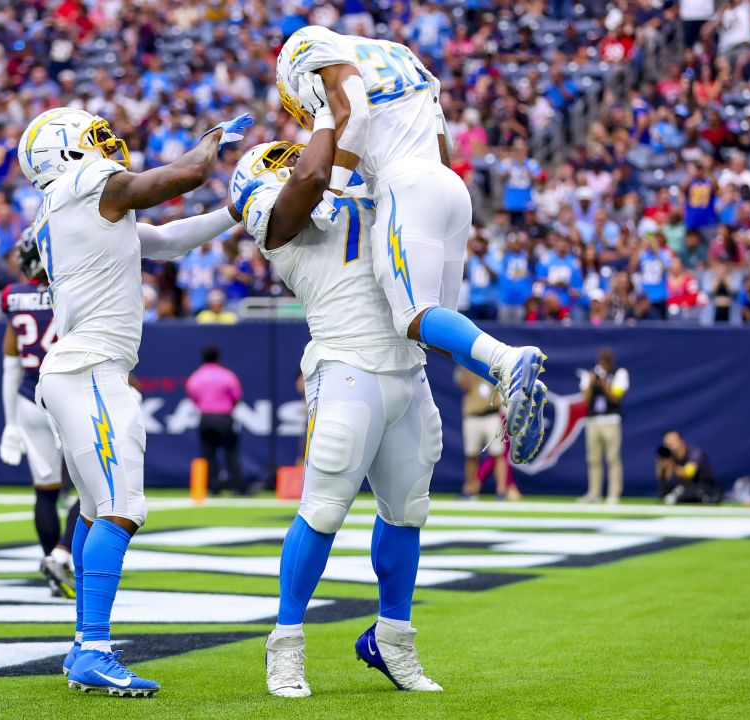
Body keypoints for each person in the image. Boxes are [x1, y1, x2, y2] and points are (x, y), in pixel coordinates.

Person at [230, 104, 541, 697]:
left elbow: (428, 175)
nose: (293, 160)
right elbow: (309, 183)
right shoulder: (285, 218)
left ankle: (392, 638)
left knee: (407, 513)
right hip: (348, 364)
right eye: (277, 162)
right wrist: (336, 109)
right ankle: (286, 645)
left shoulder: (362, 184)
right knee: (323, 509)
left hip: (407, 366)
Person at [19, 106, 252, 696]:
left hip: (83, 368)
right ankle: (94, 647)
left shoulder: (77, 208)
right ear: (65, 154)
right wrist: (211, 145)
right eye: (92, 137)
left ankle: (83, 647)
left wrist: (234, 212)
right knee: (124, 507)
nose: (107, 145)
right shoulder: (80, 187)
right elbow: (174, 180)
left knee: (99, 511)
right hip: (91, 368)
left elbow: (168, 240)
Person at [275, 25, 547, 455]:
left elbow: (357, 115)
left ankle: (508, 361)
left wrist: (335, 190)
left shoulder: (310, 45)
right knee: (439, 332)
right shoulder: (400, 53)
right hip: (447, 186)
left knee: (413, 316)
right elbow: (443, 142)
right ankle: (515, 382)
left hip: (407, 185)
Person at [0, 229, 82, 598]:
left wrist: (10, 423)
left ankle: (53, 561)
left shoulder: (14, 297)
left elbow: (10, 365)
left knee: (45, 492)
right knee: (91, 488)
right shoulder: (76, 289)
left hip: (28, 398)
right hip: (70, 393)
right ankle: (63, 556)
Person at [185, 346, 245, 494]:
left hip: (205, 418)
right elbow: (236, 397)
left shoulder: (196, 377)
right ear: (218, 358)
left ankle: (214, 487)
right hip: (224, 417)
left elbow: (193, 397)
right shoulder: (227, 375)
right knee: (230, 453)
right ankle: (237, 487)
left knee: (208, 454)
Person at [579, 348, 630, 504]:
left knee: (613, 458)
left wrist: (603, 385)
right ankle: (594, 493)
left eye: (607, 360)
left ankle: (613, 494)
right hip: (593, 420)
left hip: (611, 420)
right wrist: (592, 383)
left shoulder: (619, 374)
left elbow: (615, 397)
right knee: (593, 459)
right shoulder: (590, 374)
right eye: (603, 360)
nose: (605, 363)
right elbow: (586, 399)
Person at [455, 367, 513, 500]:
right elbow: (462, 384)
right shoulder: (467, 366)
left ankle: (501, 490)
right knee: (471, 455)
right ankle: (470, 489)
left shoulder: (493, 366)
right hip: (473, 416)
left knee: (498, 454)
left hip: (492, 415)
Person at [656, 430, 722, 504]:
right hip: (684, 488)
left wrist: (672, 466)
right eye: (666, 443)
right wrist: (662, 466)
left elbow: (688, 474)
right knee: (666, 493)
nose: (668, 445)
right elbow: (663, 479)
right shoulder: (671, 457)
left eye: (671, 442)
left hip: (706, 488)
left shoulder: (695, 453)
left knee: (685, 490)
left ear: (681, 442)